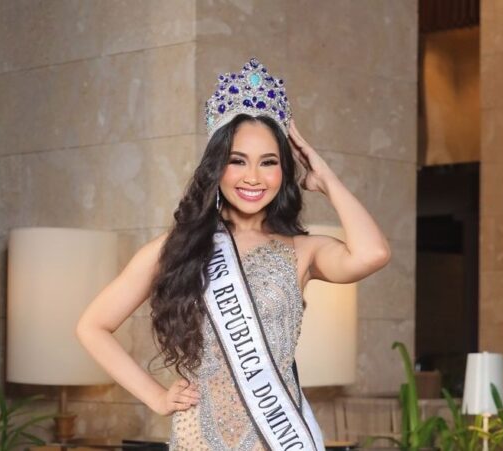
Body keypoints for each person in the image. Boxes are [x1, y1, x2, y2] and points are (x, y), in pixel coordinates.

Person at [76, 58, 391, 451]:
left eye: (268, 162)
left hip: (274, 437)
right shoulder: (176, 248)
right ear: (217, 167)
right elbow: (92, 326)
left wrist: (325, 178)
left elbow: (373, 253)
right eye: (237, 161)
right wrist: (155, 396)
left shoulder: (302, 250)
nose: (253, 177)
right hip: (198, 437)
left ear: (284, 170)